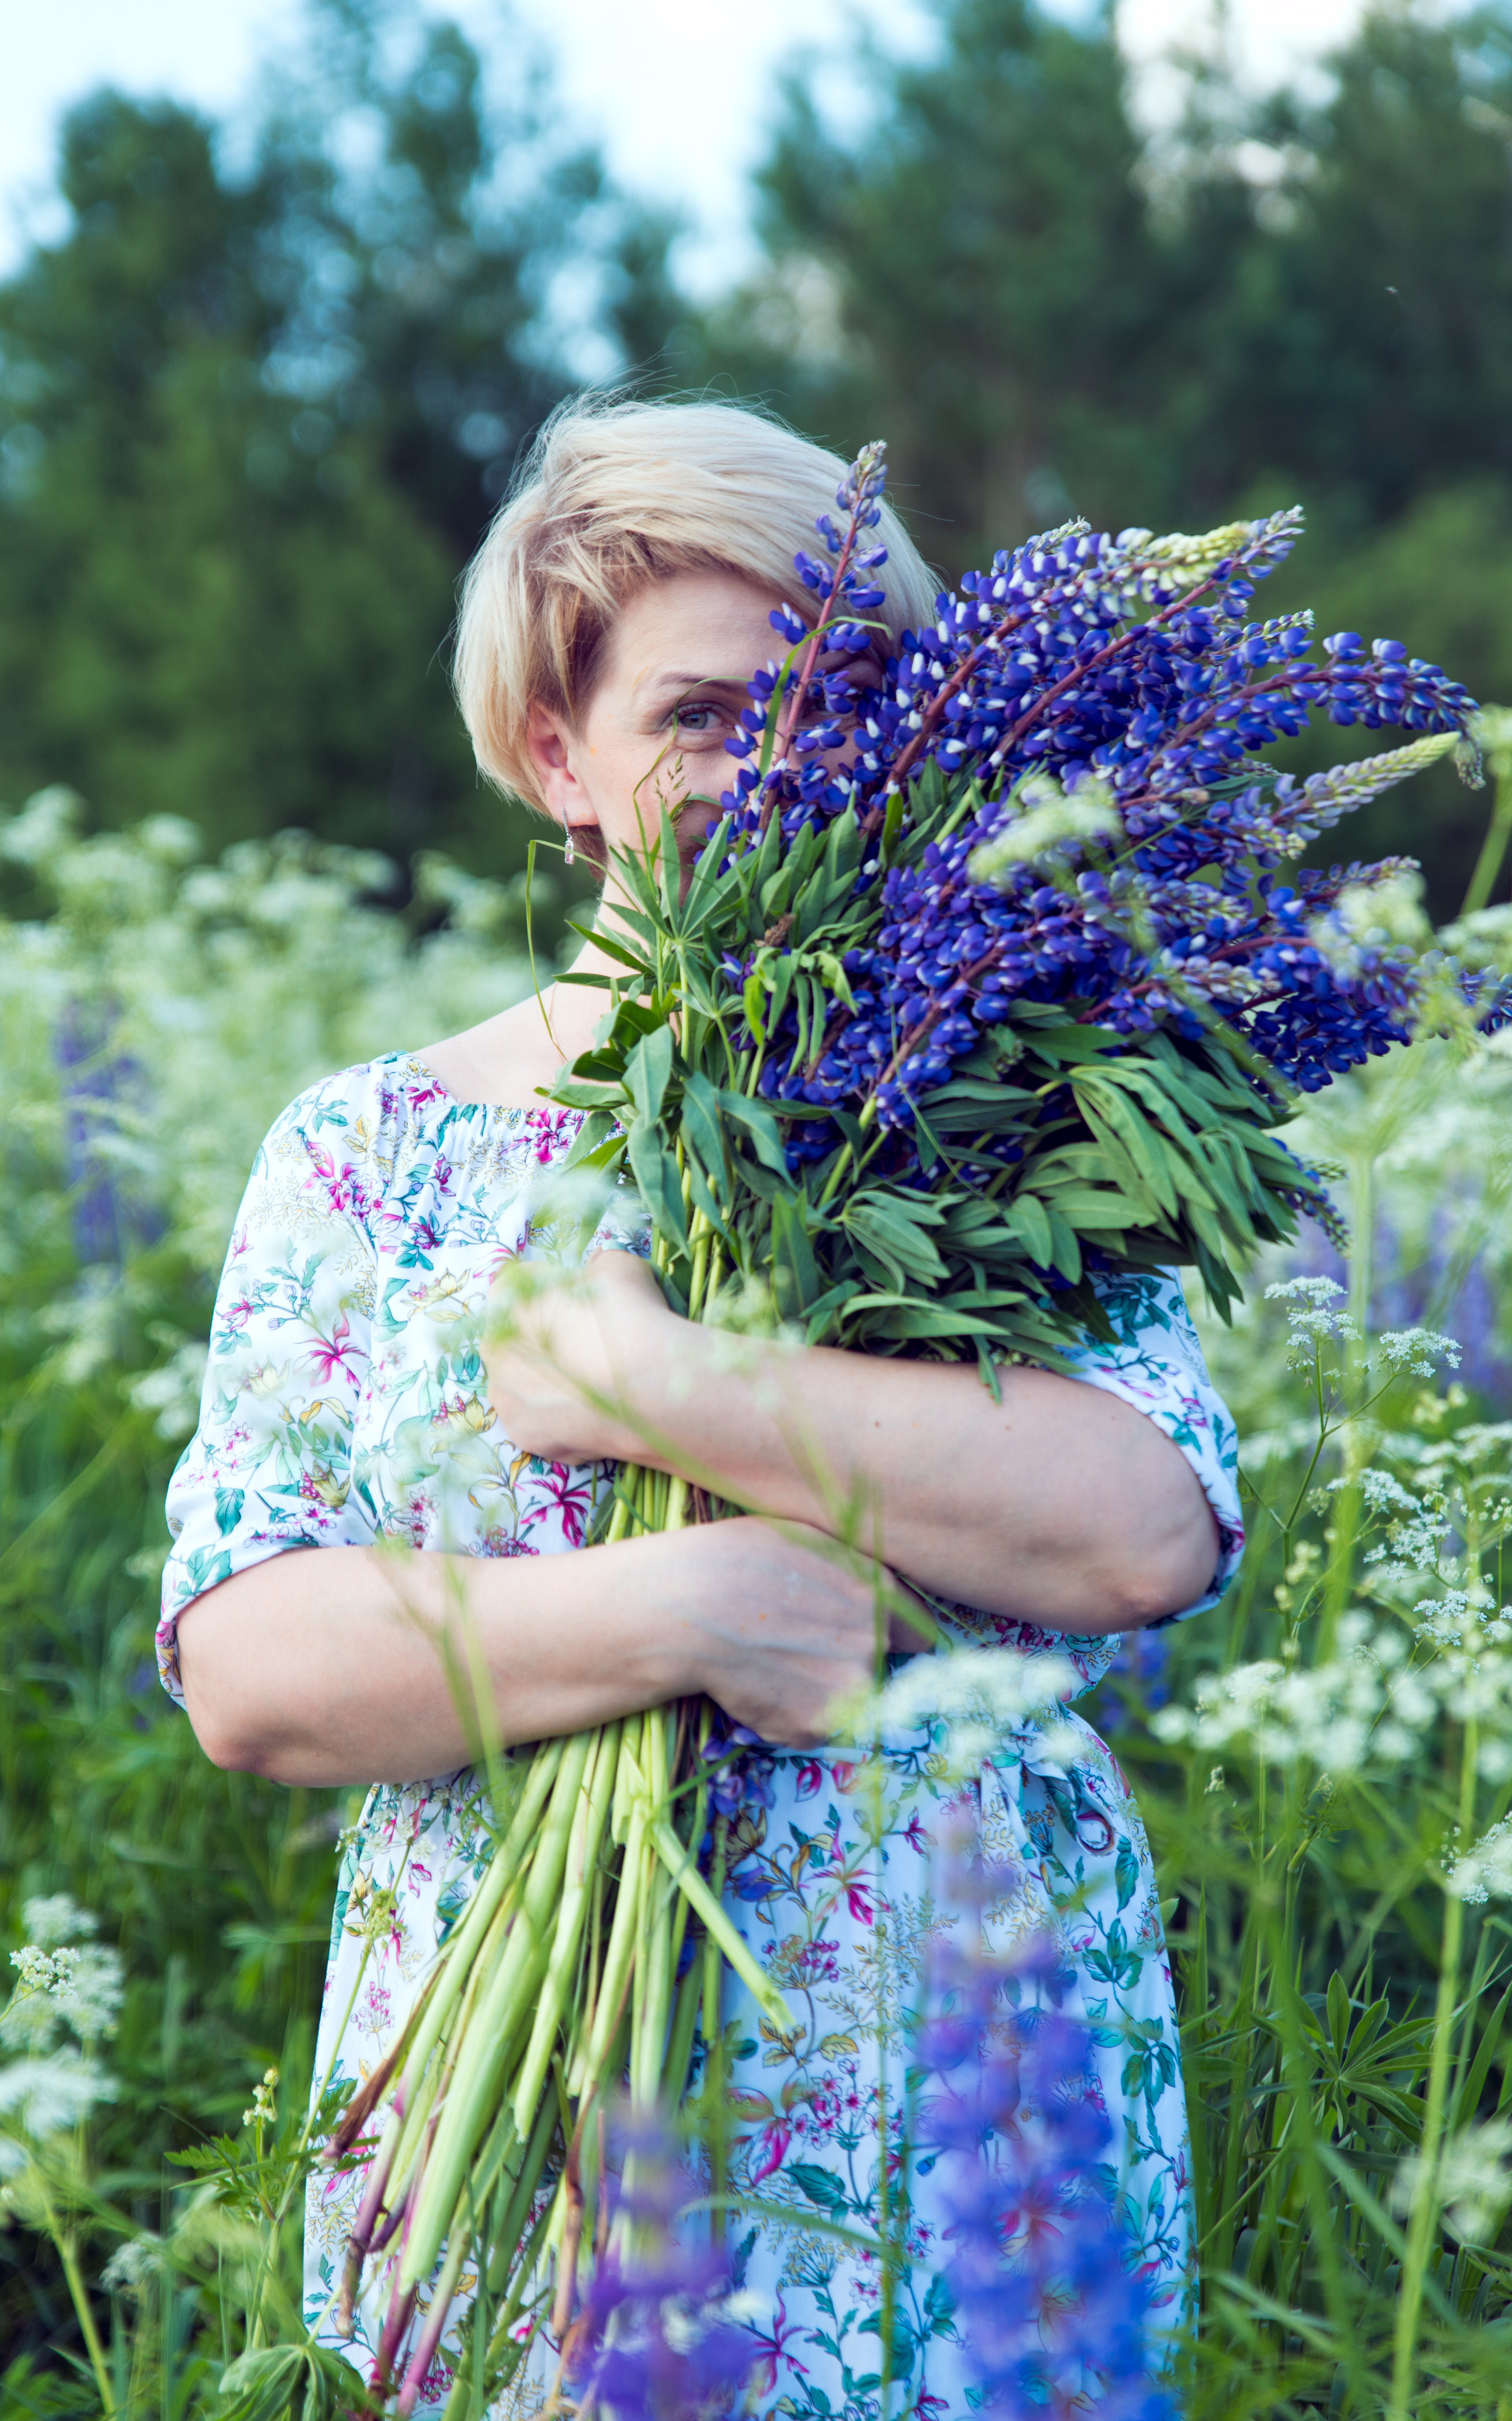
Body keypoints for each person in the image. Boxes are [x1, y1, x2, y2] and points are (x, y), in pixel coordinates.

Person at [158, 397, 1243, 2416]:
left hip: (969, 2124)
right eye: (708, 715)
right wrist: (682, 1613)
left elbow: (1139, 1524)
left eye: (846, 701)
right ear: (552, 752)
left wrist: (661, 1380)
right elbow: (252, 1666)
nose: (790, 769)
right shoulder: (369, 1152)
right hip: (536, 2162)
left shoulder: (1022, 1099)